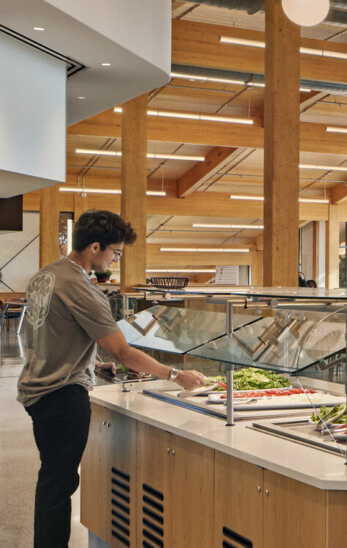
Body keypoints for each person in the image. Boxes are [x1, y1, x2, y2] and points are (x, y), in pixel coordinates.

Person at [20, 209, 208, 548]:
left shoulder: (44, 277)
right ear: (95, 247)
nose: (116, 260)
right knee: (58, 486)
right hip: (63, 397)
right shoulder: (82, 289)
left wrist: (91, 365)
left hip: (38, 392)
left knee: (52, 480)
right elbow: (124, 352)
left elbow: (51, 336)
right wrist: (177, 374)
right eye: (116, 253)